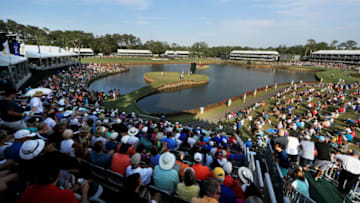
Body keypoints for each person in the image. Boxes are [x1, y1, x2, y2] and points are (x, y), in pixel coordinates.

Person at [18, 153, 90, 203]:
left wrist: (73, 189)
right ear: (59, 175)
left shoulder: (27, 191)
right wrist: (85, 192)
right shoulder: (66, 195)